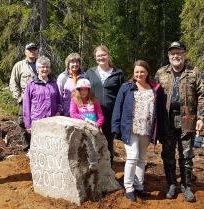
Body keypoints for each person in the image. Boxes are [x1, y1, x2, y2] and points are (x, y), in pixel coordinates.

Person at [155, 41, 204, 202]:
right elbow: (152, 96)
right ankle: (171, 184)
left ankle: (186, 186)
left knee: (186, 155)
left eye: (179, 52)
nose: (176, 56)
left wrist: (201, 117)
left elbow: (202, 95)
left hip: (188, 119)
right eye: (172, 53)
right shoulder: (161, 73)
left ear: (184, 54)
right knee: (167, 154)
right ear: (169, 56)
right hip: (167, 120)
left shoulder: (194, 72)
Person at [112, 60, 167, 202]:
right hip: (130, 128)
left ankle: (139, 186)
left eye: (142, 71)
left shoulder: (155, 88)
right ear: (133, 72)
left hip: (147, 129)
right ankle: (129, 187)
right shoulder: (126, 87)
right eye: (137, 71)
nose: (139, 74)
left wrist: (161, 131)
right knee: (133, 156)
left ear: (147, 72)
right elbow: (118, 108)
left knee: (142, 158)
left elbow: (161, 111)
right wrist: (115, 127)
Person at [85, 45, 124, 165]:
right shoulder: (90, 73)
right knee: (91, 142)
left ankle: (108, 171)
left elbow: (122, 95)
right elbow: (84, 93)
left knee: (108, 143)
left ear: (108, 55)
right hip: (92, 114)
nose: (101, 58)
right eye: (98, 56)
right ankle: (93, 173)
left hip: (111, 114)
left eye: (103, 55)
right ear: (95, 57)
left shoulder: (118, 73)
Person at [9, 42, 38, 151]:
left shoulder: (41, 64)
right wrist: (18, 97)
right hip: (24, 100)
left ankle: (37, 146)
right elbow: (13, 82)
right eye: (30, 50)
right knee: (22, 122)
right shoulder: (19, 65)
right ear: (25, 52)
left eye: (34, 49)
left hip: (38, 101)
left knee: (38, 122)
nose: (32, 51)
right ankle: (26, 147)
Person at [23, 56, 61, 131]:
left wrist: (59, 112)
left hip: (52, 122)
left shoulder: (54, 83)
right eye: (42, 67)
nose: (45, 69)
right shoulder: (31, 84)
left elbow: (59, 101)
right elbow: (26, 105)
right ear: (37, 69)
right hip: (37, 122)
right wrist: (28, 125)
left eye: (47, 67)